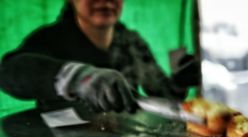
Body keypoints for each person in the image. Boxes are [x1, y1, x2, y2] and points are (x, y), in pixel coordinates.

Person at [0, 0, 199, 112]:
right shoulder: (50, 38)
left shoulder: (132, 42)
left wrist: (179, 83)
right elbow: (9, 72)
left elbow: (160, 93)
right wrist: (77, 78)